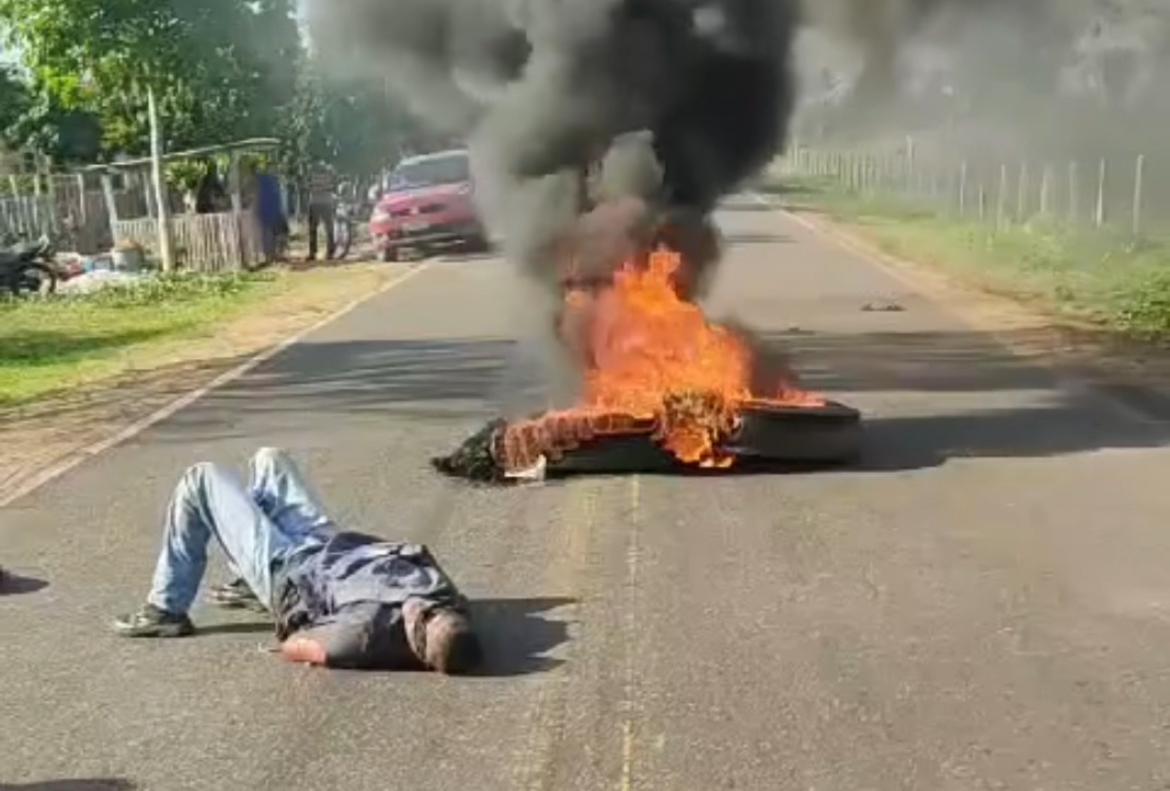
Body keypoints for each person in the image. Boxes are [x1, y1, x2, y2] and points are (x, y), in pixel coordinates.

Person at [113, 448, 482, 674]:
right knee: (270, 459)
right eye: (435, 614)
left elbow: (303, 646)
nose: (424, 611)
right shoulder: (442, 597)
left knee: (201, 479)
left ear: (417, 642)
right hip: (330, 543)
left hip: (287, 571)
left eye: (425, 622)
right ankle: (246, 580)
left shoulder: (365, 634)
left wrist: (290, 628)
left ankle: (166, 610)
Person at [306, 163, 337, 261]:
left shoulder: (311, 174)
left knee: (312, 229)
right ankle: (330, 252)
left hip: (315, 202)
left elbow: (307, 186)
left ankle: (312, 253)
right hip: (327, 202)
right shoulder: (330, 174)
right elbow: (333, 187)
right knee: (329, 229)